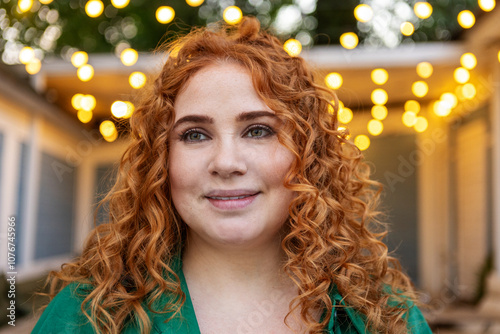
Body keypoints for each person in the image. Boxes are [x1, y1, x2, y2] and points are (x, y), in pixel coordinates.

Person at [33, 17, 432, 334]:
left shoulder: (384, 319)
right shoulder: (85, 317)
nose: (226, 162)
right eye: (194, 134)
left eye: (258, 130)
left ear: (308, 156)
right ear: (160, 161)